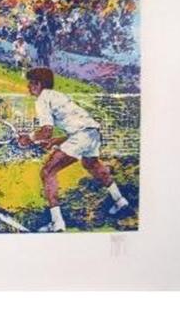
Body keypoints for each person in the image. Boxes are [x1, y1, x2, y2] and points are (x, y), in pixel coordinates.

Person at [19, 67, 129, 232]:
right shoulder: (58, 96)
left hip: (80, 136)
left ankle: (57, 223)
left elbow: (46, 131)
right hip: (93, 133)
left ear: (38, 84)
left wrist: (28, 138)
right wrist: (56, 141)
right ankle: (120, 200)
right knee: (91, 164)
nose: (28, 87)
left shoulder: (42, 99)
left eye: (31, 83)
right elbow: (77, 126)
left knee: (47, 172)